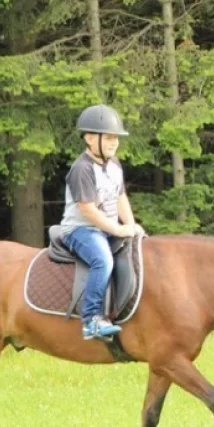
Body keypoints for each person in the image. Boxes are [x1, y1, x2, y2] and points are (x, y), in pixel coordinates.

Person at [59, 104, 143, 341]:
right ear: (89, 138)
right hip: (81, 229)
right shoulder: (82, 169)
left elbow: (120, 197)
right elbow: (87, 210)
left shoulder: (114, 164)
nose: (114, 142)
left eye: (116, 137)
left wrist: (132, 225)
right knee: (102, 261)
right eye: (108, 138)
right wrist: (118, 229)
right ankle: (92, 320)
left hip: (106, 228)